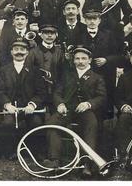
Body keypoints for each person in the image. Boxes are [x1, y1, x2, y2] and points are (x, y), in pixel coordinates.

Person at [44, 46, 107, 177]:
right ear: (73, 61)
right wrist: (60, 103)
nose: (80, 61)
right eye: (77, 58)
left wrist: (89, 103)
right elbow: (57, 92)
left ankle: (87, 163)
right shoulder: (67, 75)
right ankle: (55, 161)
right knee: (52, 123)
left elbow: (102, 97)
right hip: (67, 110)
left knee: (91, 125)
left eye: (84, 58)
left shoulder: (97, 77)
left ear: (90, 60)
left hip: (86, 111)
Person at [0, 37, 47, 159]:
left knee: (36, 122)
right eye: (16, 49)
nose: (19, 52)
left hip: (29, 108)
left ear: (27, 53)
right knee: (8, 123)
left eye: (22, 49)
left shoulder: (35, 71)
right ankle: (11, 151)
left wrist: (32, 105)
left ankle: (34, 152)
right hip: (11, 108)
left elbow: (41, 93)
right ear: (11, 52)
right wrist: (7, 104)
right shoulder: (3, 70)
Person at [80, 8, 122, 118]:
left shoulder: (109, 35)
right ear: (85, 20)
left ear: (99, 20)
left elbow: (119, 55)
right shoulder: (79, 34)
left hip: (106, 75)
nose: (92, 21)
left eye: (95, 19)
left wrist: (106, 59)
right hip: (87, 75)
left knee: (106, 104)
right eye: (89, 19)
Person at [31, 24, 65, 110]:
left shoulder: (60, 52)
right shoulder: (33, 52)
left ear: (56, 35)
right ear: (41, 34)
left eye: (52, 33)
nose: (49, 35)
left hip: (55, 92)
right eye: (46, 33)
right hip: (37, 92)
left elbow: (62, 73)